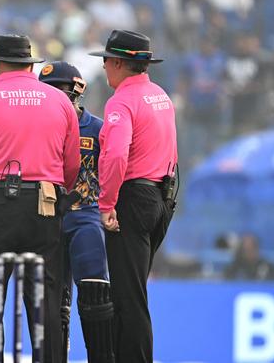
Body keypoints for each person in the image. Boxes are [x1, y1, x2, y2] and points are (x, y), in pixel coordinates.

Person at [0, 34, 80, 363]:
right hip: (43, 207)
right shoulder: (60, 101)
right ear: (30, 65)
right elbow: (72, 166)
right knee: (44, 305)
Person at [89, 29, 177, 363]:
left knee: (129, 298)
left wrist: (107, 203)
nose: (104, 68)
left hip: (132, 199)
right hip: (160, 196)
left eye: (106, 62)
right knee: (132, 292)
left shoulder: (122, 101)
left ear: (116, 62)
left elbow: (114, 155)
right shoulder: (160, 96)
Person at [38, 61, 114, 363]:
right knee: (52, 302)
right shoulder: (35, 128)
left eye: (57, 90)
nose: (51, 98)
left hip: (86, 217)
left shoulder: (96, 129)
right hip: (48, 218)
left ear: (75, 92)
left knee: (95, 295)